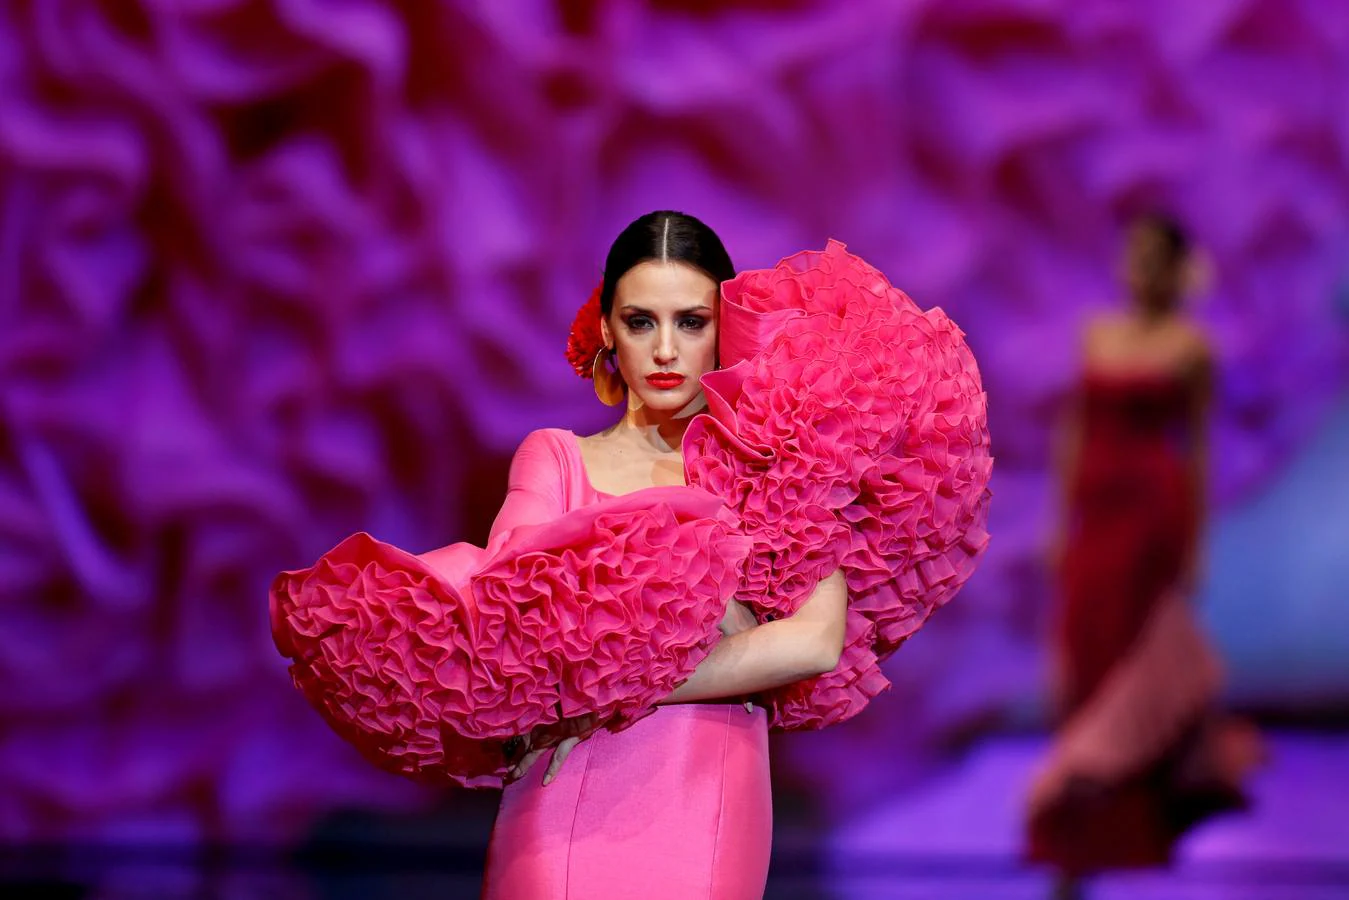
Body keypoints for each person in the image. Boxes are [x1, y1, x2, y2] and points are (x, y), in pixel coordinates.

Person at [271, 211, 992, 899]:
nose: (666, 350)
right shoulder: (556, 458)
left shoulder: (778, 467)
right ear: (608, 330)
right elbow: (505, 622)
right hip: (561, 795)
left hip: (703, 791)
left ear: (727, 332)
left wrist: (609, 690)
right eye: (641, 322)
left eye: (691, 322)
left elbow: (813, 642)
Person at [1028, 215, 1262, 897]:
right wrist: (1057, 521)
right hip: (1094, 520)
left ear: (1173, 267)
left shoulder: (1192, 347)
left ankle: (1125, 831)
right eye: (1132, 254)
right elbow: (1074, 429)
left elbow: (1197, 450)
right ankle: (1072, 836)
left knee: (1131, 667)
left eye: (1152, 257)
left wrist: (1193, 545)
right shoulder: (1095, 333)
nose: (1138, 268)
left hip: (1147, 522)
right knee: (1080, 660)